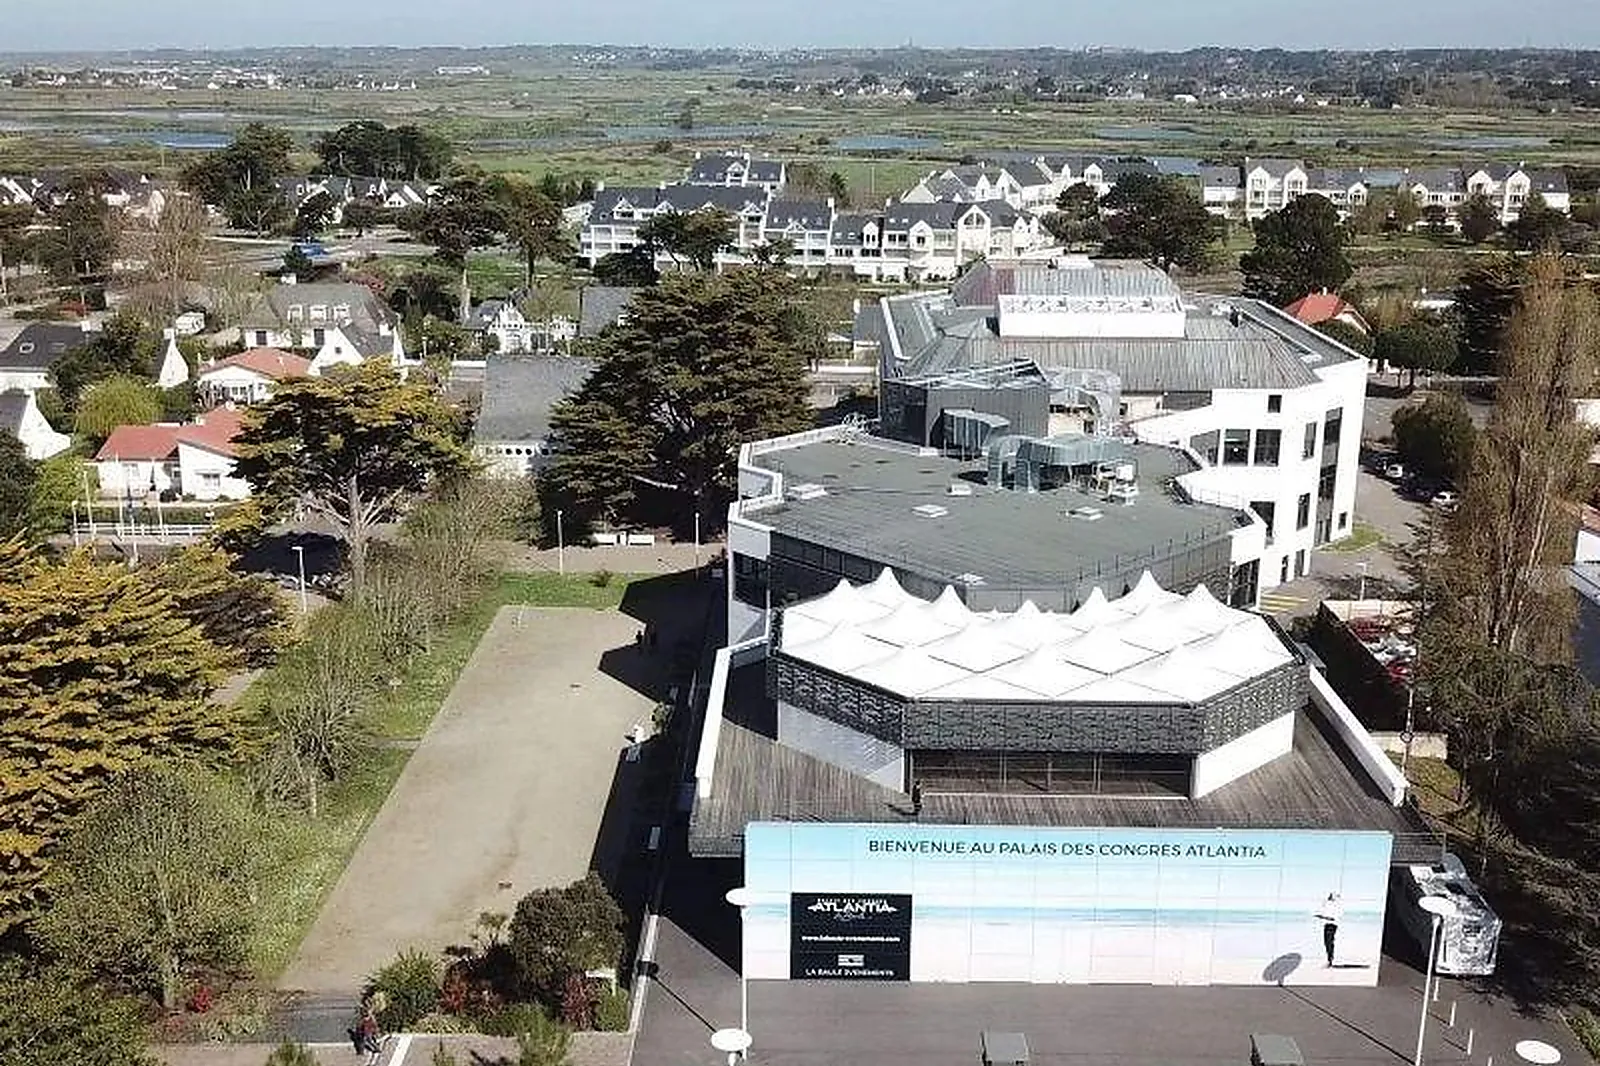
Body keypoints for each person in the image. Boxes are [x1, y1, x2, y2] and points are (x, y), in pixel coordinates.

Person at [1316, 892, 1344, 967]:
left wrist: (1322, 917)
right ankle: (1330, 959)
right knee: (1327, 942)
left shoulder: (1336, 905)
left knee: (1329, 942)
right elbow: (1325, 907)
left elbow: (1332, 918)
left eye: (1331, 895)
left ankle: (1330, 960)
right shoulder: (1329, 904)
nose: (1329, 896)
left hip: (1332, 925)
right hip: (1328, 924)